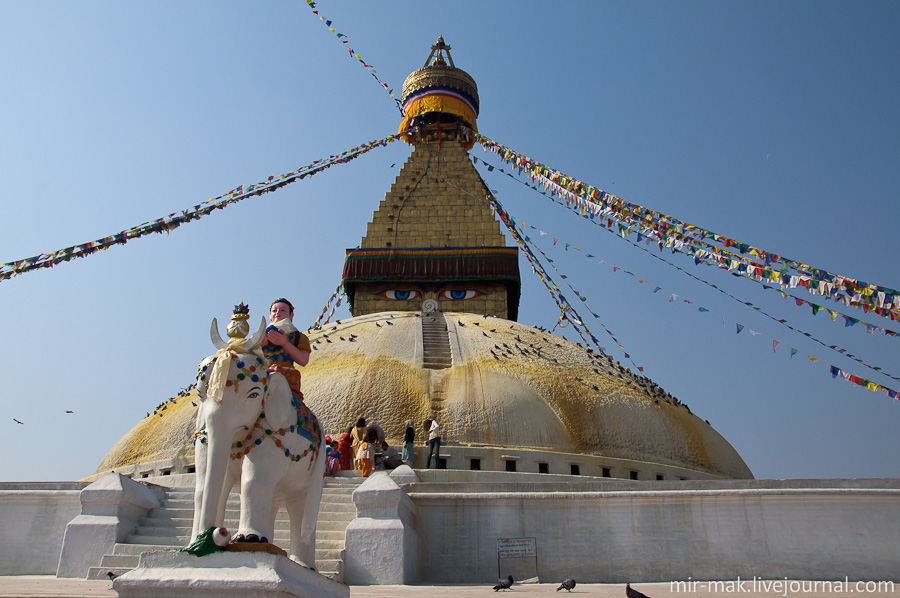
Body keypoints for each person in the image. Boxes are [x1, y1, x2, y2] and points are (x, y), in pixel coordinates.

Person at [261, 298, 311, 402]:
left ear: (291, 315)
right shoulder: (260, 336)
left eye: (283, 310)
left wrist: (285, 343)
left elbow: (303, 360)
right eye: (274, 311)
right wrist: (260, 344)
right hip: (261, 373)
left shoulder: (298, 336)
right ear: (270, 315)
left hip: (284, 373)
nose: (277, 313)